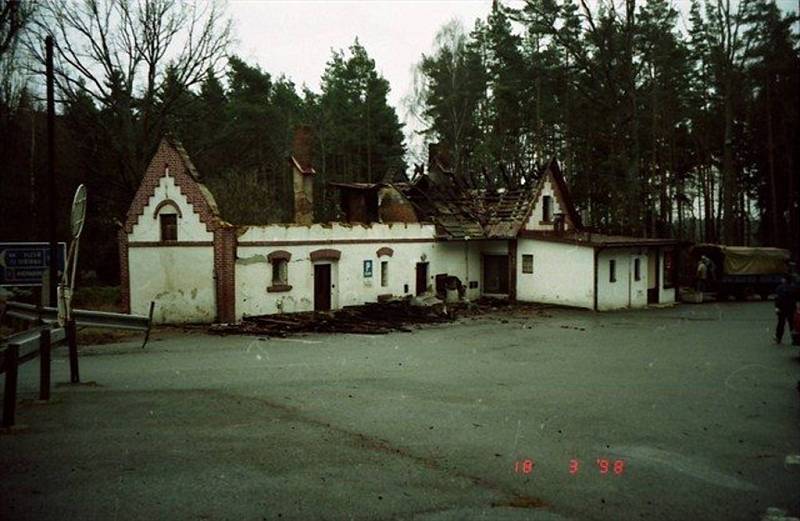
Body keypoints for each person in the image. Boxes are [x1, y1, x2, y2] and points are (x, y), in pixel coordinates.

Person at [773, 276, 797, 344]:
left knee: (781, 324)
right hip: (791, 308)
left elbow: (777, 298)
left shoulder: (779, 288)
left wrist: (776, 307)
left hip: (782, 308)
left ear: (784, 280)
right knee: (792, 324)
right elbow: (795, 298)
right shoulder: (793, 288)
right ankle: (794, 339)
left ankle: (778, 338)